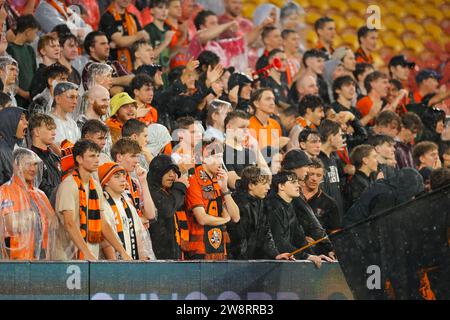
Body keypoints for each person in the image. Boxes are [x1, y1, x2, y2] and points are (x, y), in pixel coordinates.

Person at [55, 139, 132, 260]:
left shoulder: (95, 186)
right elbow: (69, 223)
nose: (97, 160)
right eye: (92, 156)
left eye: (97, 156)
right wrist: (86, 251)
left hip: (90, 255)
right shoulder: (68, 185)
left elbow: (103, 223)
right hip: (68, 257)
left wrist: (122, 251)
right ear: (79, 159)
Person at [185, 139, 240, 260]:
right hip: (199, 249)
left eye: (221, 157)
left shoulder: (219, 180)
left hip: (220, 247)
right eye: (216, 157)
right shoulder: (193, 179)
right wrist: (225, 219)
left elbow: (235, 217)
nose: (220, 161)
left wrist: (225, 189)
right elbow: (202, 218)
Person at [265, 170, 333, 268]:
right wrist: (307, 256)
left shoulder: (289, 205)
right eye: (293, 183)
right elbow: (279, 242)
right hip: (268, 265)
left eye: (297, 182)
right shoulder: (273, 206)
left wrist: (314, 255)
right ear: (281, 186)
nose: (298, 186)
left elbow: (299, 238)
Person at [0, 148, 58, 260]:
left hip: (42, 258)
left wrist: (25, 216)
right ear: (16, 165)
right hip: (16, 260)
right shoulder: (5, 191)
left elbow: (54, 224)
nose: (33, 169)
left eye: (35, 164)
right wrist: (34, 217)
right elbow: (11, 226)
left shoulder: (40, 195)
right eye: (28, 164)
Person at [227, 166, 292, 260]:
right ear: (251, 185)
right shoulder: (238, 203)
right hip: (235, 262)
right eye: (264, 184)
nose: (268, 188)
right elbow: (239, 239)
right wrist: (242, 265)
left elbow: (265, 232)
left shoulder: (260, 202)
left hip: (248, 262)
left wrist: (276, 254)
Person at [98, 162, 155, 260]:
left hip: (130, 263)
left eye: (123, 175)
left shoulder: (127, 203)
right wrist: (113, 264)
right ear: (106, 181)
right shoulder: (103, 204)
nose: (123, 179)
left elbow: (139, 234)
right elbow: (105, 241)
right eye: (117, 176)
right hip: (114, 266)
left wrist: (143, 260)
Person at [147, 154, 189, 260]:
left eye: (174, 171)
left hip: (173, 251)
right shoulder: (150, 190)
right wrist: (180, 187)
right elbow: (167, 209)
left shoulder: (168, 189)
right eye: (167, 171)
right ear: (157, 173)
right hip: (157, 256)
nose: (172, 175)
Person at [110, 138, 157, 223]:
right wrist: (140, 220)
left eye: (137, 156)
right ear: (119, 157)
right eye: (132, 156)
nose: (137, 161)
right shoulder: (110, 181)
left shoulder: (135, 182)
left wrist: (143, 182)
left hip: (139, 234)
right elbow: (117, 216)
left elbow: (151, 215)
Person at [223, 110, 269, 189]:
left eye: (247, 127)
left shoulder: (249, 152)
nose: (246, 131)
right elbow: (234, 183)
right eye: (241, 127)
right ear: (229, 127)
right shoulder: (223, 151)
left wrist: (256, 148)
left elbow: (267, 178)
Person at [99, 0, 149, 72]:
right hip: (114, 67)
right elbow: (121, 42)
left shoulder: (132, 17)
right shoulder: (108, 17)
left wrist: (123, 42)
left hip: (133, 65)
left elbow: (146, 38)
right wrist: (137, 37)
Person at [6, 14, 38, 108]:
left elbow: (34, 74)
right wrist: (23, 93)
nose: (35, 36)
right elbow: (7, 77)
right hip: (17, 99)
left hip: (30, 100)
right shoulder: (10, 49)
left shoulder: (30, 50)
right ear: (28, 31)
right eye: (35, 32)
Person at [29, 113, 61, 203]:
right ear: (37, 132)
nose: (54, 133)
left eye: (54, 129)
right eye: (49, 129)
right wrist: (64, 194)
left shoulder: (55, 157)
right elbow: (40, 189)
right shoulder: (30, 159)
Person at [301, 158, 340, 234]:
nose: (314, 179)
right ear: (305, 174)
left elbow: (335, 233)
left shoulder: (330, 203)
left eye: (318, 175)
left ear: (322, 177)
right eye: (311, 174)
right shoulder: (293, 197)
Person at [318, 119, 346, 222]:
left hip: (337, 218)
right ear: (330, 137)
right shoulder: (317, 160)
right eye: (339, 135)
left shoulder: (333, 158)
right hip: (326, 221)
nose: (341, 139)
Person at [0, 106, 28, 185]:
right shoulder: (1, 150)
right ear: (9, 122)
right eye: (21, 119)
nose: (26, 122)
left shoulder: (19, 146)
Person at [144, 0, 175, 69]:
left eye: (166, 8)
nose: (164, 11)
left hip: (165, 73)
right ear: (152, 10)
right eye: (160, 8)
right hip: (152, 72)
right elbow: (149, 56)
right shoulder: (148, 30)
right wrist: (166, 42)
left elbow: (166, 54)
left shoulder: (168, 28)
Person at [29, 34, 61, 99]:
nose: (57, 48)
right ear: (43, 51)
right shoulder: (41, 74)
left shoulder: (60, 71)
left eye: (58, 46)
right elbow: (35, 98)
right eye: (53, 46)